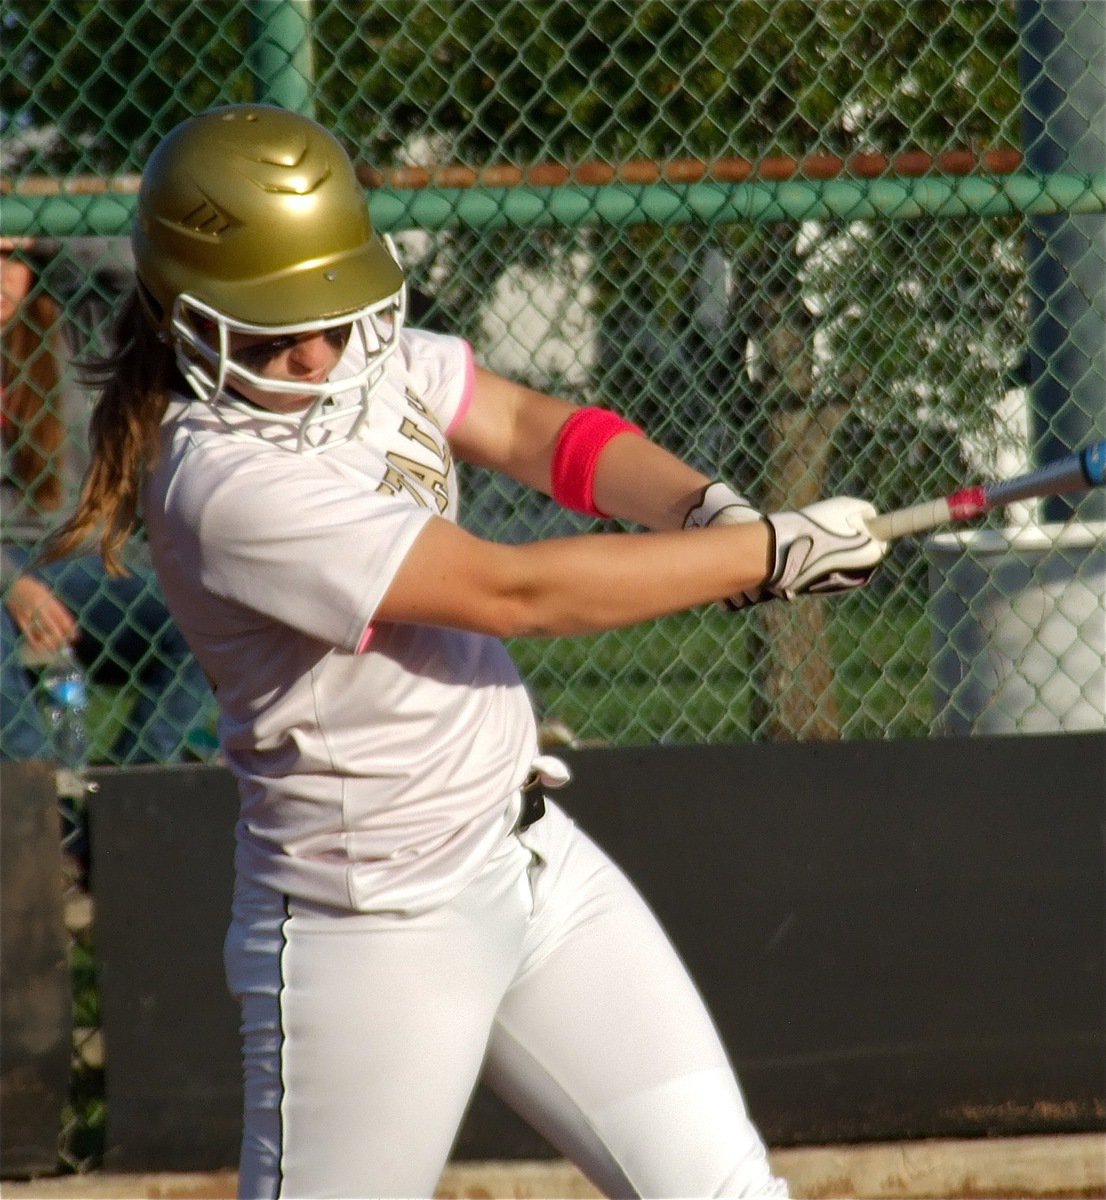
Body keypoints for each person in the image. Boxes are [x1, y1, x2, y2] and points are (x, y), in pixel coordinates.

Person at [48, 105, 888, 1199]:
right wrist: (757, 557)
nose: (314, 351)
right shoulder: (223, 482)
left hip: (534, 865)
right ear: (180, 315)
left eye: (329, 310)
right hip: (373, 929)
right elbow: (513, 589)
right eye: (267, 329)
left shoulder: (369, 351)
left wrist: (704, 507)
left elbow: (540, 432)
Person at [1, 237, 214, 766]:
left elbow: (141, 263)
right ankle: (42, 795)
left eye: (11, 260)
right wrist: (12, 583)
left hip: (85, 562)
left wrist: (40, 234)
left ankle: (129, 784)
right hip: (5, 567)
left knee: (209, 613)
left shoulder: (72, 327)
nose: (2, 277)